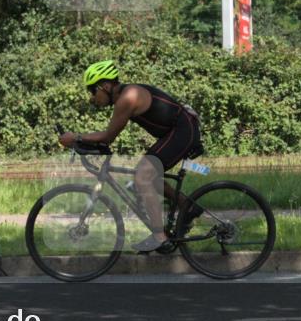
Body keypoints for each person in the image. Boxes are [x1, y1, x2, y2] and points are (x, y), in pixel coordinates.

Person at [58, 60, 203, 253]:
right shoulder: (126, 95)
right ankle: (187, 206)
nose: (92, 98)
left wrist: (75, 137)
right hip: (177, 131)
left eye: (93, 91)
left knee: (143, 176)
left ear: (106, 86)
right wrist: (82, 143)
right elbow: (106, 138)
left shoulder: (128, 97)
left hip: (183, 130)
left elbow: (108, 137)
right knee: (146, 175)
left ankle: (160, 237)